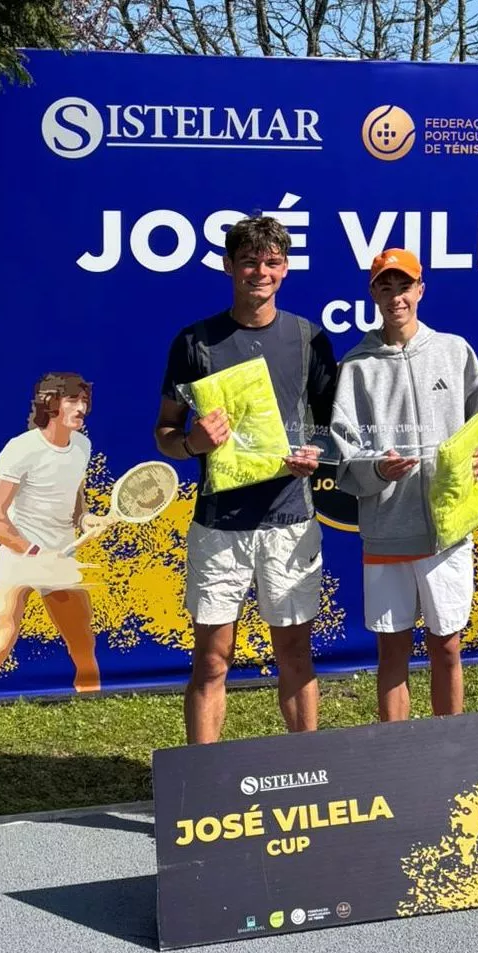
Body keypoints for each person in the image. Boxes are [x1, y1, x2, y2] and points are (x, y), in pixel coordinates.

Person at [155, 215, 337, 745]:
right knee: (212, 661)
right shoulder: (195, 342)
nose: (261, 271)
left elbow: (333, 430)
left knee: (296, 657)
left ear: (285, 270)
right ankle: (203, 786)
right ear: (228, 266)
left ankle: (307, 770)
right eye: (250, 261)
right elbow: (165, 431)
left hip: (289, 522)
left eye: (272, 262)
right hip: (220, 526)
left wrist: (316, 455)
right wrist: (192, 444)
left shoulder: (309, 339)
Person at [331, 248, 478, 723]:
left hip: (448, 530)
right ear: (373, 294)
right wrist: (377, 470)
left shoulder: (454, 351)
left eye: (403, 286)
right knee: (392, 652)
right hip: (387, 532)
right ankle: (397, 760)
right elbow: (346, 454)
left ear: (420, 290)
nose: (395, 296)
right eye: (385, 286)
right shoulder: (357, 367)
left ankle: (450, 751)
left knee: (447, 647)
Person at [0, 372, 102, 700]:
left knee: (83, 643)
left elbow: (74, 495)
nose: (81, 406)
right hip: (19, 559)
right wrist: (33, 552)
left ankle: (92, 706)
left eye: (84, 399)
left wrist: (85, 518)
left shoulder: (82, 446)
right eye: (72, 399)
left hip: (59, 560)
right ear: (50, 403)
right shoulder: (21, 449)